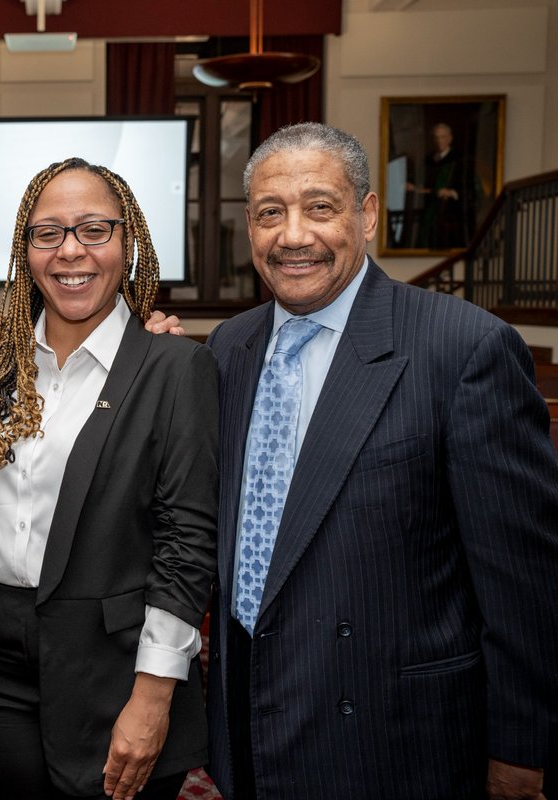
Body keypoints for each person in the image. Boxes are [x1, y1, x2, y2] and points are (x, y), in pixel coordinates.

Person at [158, 122, 558, 799]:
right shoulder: (228, 348)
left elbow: (524, 581)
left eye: (320, 207)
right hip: (253, 714)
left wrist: (523, 747)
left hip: (392, 736)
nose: (292, 236)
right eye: (269, 214)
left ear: (366, 215)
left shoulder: (462, 349)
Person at [0, 157, 218, 800]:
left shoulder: (174, 367)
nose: (72, 251)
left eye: (95, 229)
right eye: (49, 233)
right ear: (25, 250)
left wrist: (154, 693)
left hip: (119, 662)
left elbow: (187, 544)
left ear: (129, 244)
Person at [407, 122, 476, 249]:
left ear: (450, 138)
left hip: (451, 210)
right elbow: (426, 185)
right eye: (436, 137)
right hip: (431, 206)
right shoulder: (429, 161)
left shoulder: (459, 160)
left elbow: (469, 188)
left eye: (443, 137)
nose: (439, 141)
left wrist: (452, 193)